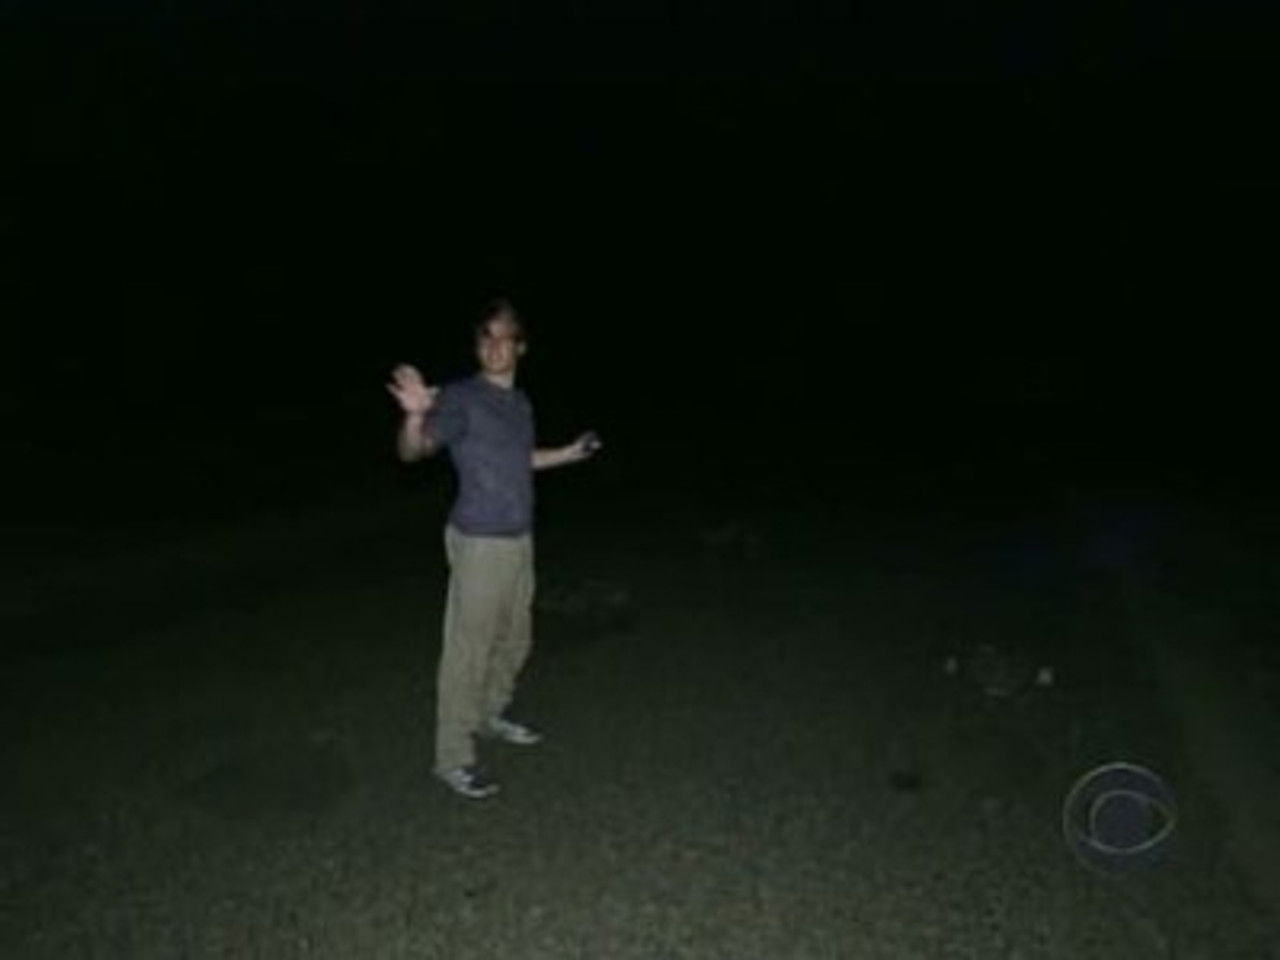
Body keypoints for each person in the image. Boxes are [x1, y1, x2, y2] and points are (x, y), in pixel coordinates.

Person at [386, 299, 601, 799]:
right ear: (477, 345)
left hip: (519, 537)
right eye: (486, 336)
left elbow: (519, 459)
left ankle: (489, 713)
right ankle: (452, 757)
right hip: (480, 541)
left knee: (515, 639)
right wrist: (414, 419)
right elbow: (414, 451)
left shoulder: (519, 404)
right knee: (469, 650)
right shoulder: (461, 398)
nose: (495, 345)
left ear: (521, 347)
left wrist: (570, 453)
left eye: (505, 337)